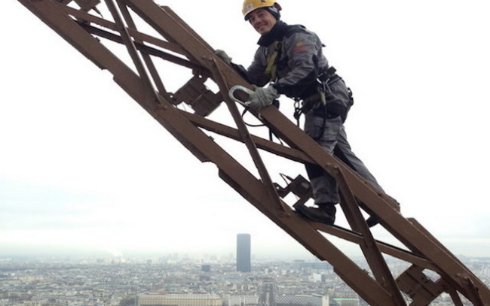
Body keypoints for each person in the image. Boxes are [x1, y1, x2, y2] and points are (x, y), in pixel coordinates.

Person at [218, 0, 388, 226]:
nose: (257, 21)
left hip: (326, 96)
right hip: (317, 100)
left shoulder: (296, 36)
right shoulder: (266, 50)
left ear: (274, 12)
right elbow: (255, 79)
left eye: (261, 15)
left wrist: (274, 90)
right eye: (252, 19)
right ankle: (381, 202)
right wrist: (229, 65)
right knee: (339, 152)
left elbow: (306, 69)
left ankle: (327, 209)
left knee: (314, 150)